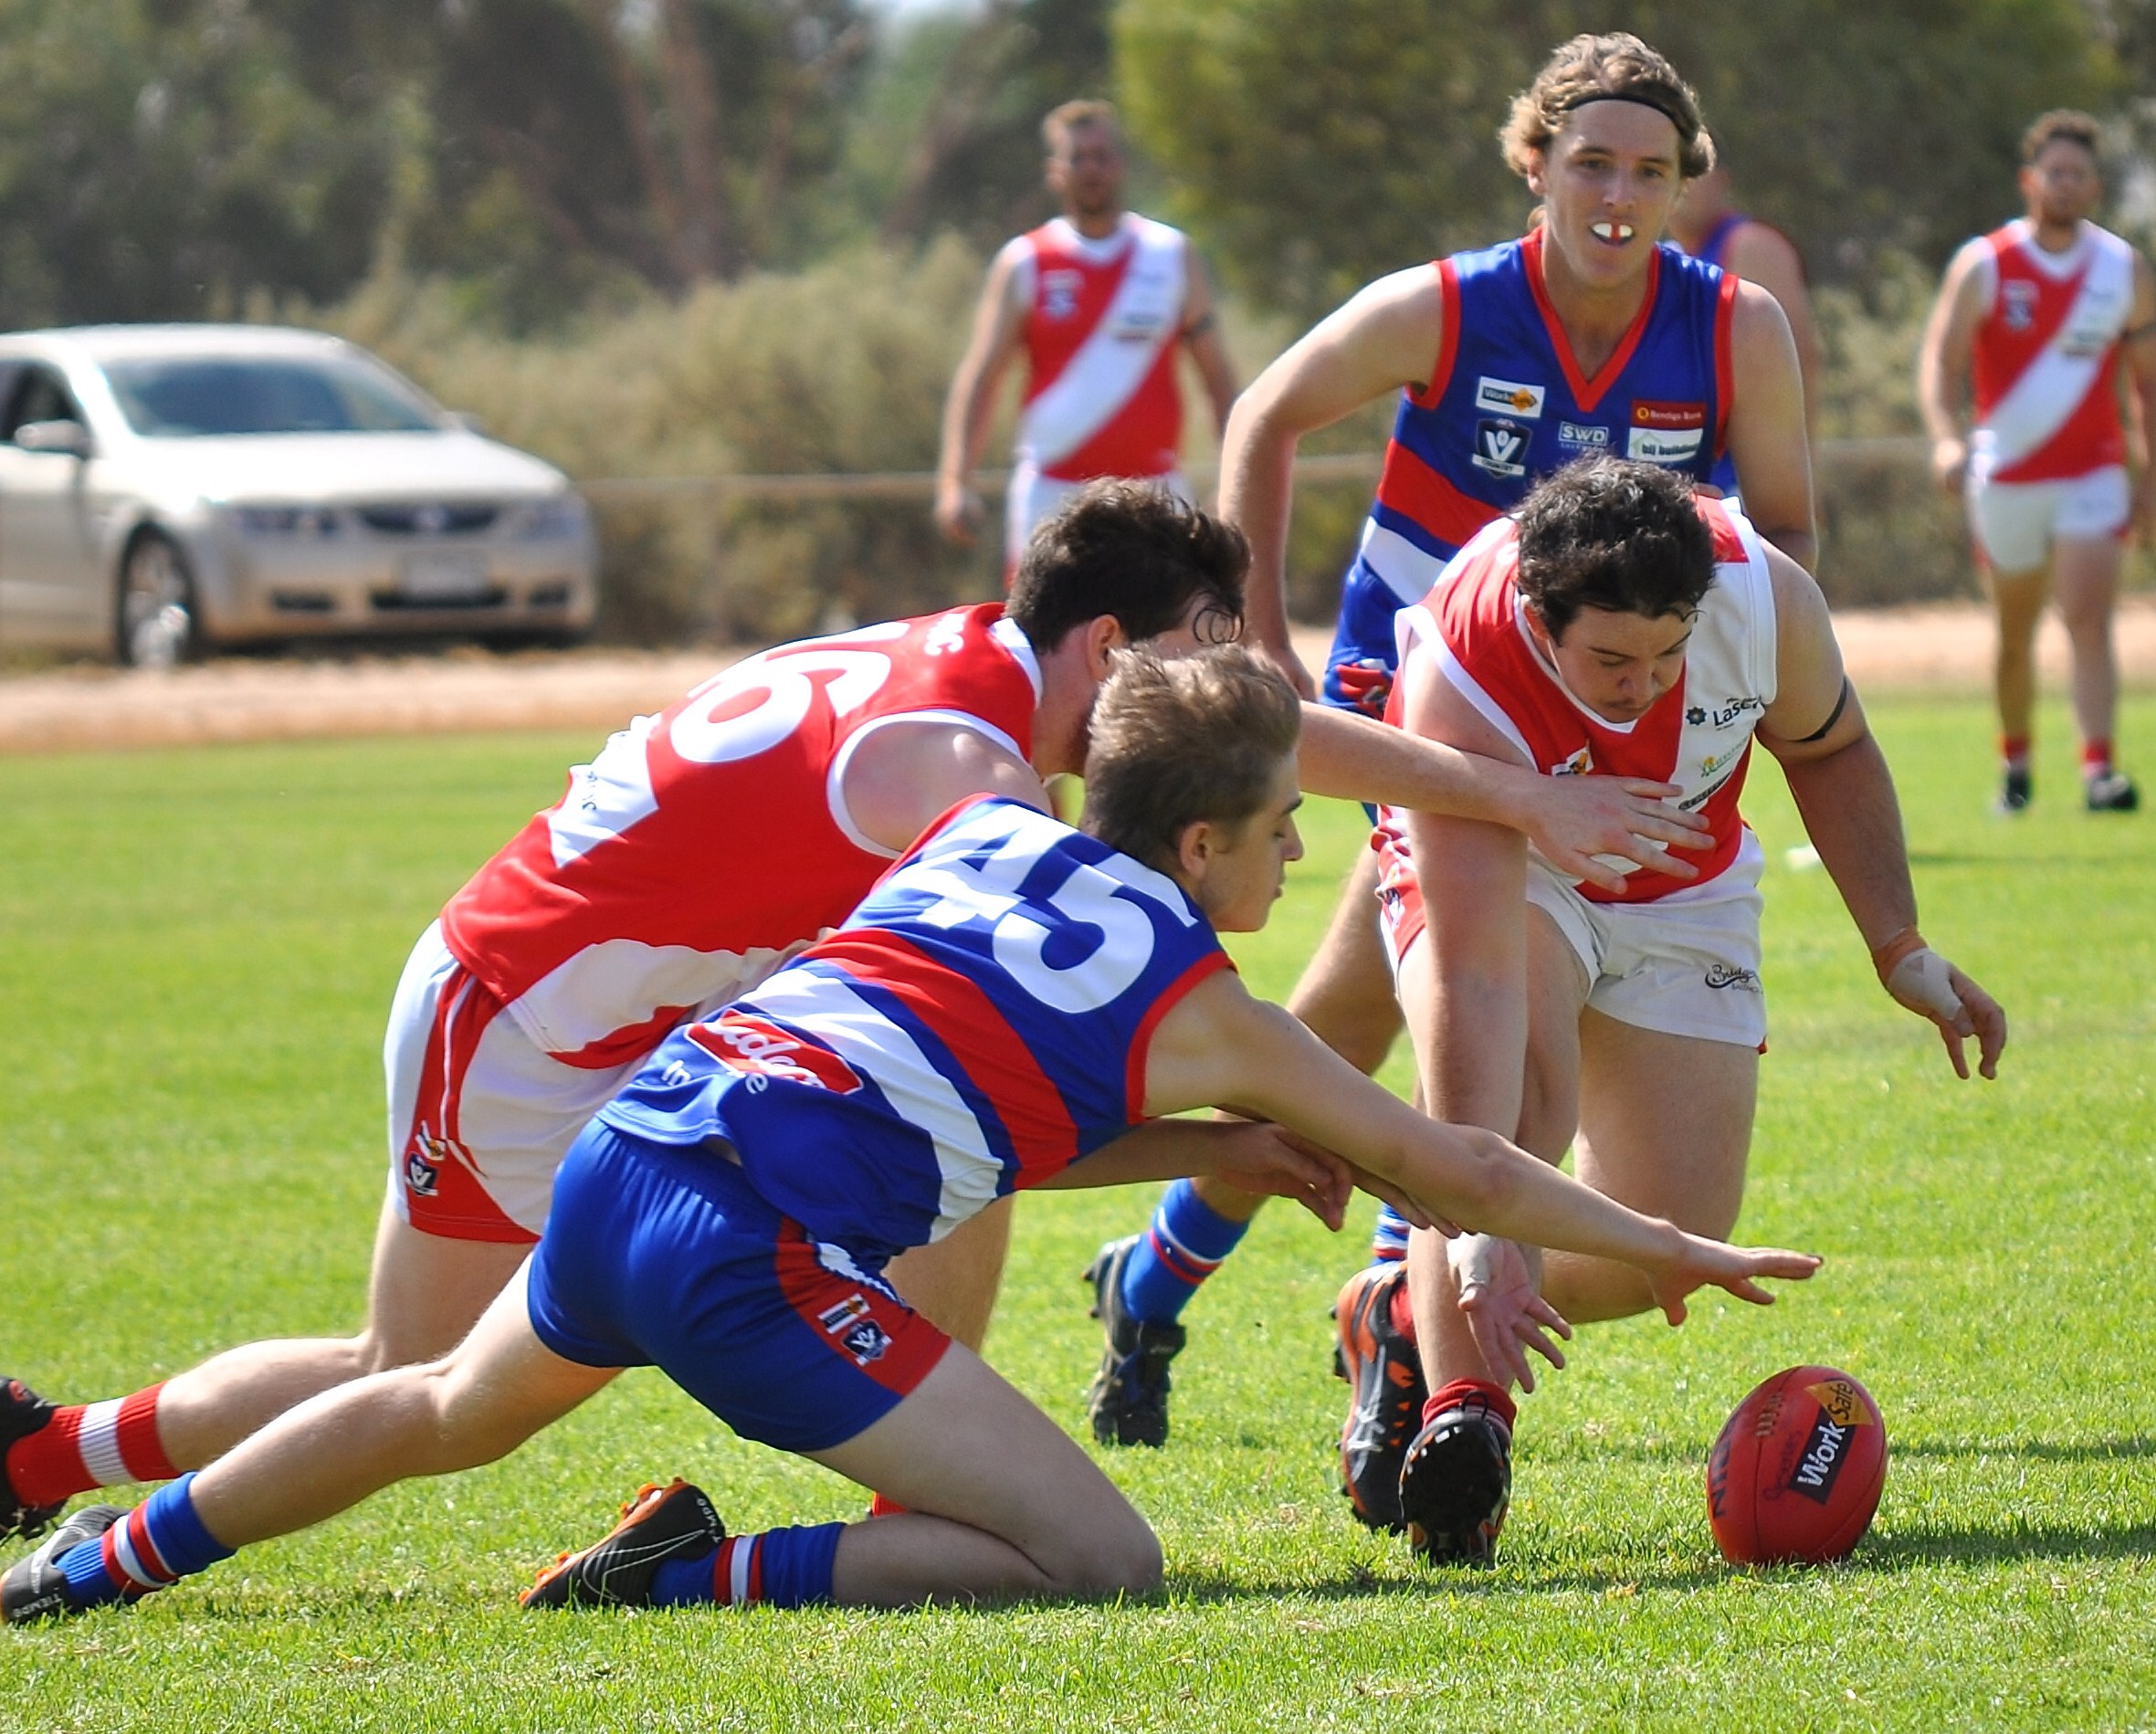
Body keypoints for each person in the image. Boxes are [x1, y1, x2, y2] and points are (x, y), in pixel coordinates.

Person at [0, 482, 1705, 1545]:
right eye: (1199, 642)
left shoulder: (996, 674)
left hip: (658, 1025)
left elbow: (1238, 749)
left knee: (504, 1358)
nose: (1224, 677)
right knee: (414, 1373)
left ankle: (921, 1472)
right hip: (532, 1007)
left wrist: (1501, 792)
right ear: (1112, 648)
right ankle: (52, 1456)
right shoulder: (962, 765)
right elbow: (1036, 1022)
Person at [1081, 32, 1817, 1453]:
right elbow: (1265, 411)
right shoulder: (1451, 305)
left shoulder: (1734, 327)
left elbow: (1783, 531)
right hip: (1421, 710)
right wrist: (1255, 635)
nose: (1617, 195)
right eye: (1589, 162)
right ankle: (1396, 1299)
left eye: (1649, 171)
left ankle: (1167, 1276)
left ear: (1683, 185)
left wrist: (1748, 674)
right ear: (1533, 163)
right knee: (1455, 1034)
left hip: (1599, 722)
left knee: (1339, 1027)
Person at [1357, 456, 2005, 1565]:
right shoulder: (1463, 665)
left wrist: (1897, 946)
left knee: (1670, 1237)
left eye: (1667, 653)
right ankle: (1466, 1419)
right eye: (1610, 660)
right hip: (1511, 864)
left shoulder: (1762, 596)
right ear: (1537, 617)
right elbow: (1473, 979)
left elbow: (1830, 747)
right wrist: (1484, 1224)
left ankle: (1401, 1310)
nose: (1645, 685)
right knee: (1524, 1098)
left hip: (1684, 886)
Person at [1918, 108, 2156, 814]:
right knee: (2015, 632)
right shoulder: (1985, 264)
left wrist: (2150, 478)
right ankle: (2017, 765)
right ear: (2029, 180)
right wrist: (1946, 438)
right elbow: (1940, 361)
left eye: (2078, 173)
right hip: (2006, 478)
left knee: (2088, 618)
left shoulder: (2123, 269)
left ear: (2096, 186)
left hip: (2093, 473)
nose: (2065, 183)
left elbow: (2150, 382)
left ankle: (2100, 771)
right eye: (2054, 171)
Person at [936, 100, 1241, 570]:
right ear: (1055, 171)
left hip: (1156, 495)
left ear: (1121, 165)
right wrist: (955, 482)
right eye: (1078, 158)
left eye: (1102, 156)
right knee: (1041, 618)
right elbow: (982, 376)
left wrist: (1233, 484)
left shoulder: (1170, 255)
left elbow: (1218, 379)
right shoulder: (1025, 262)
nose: (1091, 169)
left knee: (1166, 617)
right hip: (1051, 496)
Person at [1670, 163, 1822, 452]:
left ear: (1721, 180)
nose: (1682, 186)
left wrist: (1792, 467)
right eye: (1667, 170)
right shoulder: (1671, 259)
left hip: (1738, 469)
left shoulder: (1751, 246)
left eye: (1693, 172)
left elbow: (1797, 360)